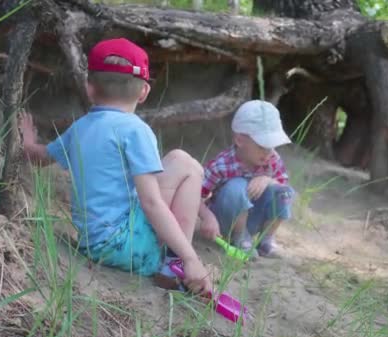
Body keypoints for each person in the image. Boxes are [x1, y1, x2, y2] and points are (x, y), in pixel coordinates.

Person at [19, 38, 212, 294]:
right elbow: (151, 202)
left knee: (177, 164)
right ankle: (175, 262)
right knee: (186, 164)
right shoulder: (135, 130)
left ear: (89, 88)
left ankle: (173, 258)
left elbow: (40, 158)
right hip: (126, 245)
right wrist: (192, 259)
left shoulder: (79, 128)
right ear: (144, 92)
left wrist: (28, 141)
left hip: (93, 244)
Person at [199, 100, 294, 258]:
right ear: (240, 140)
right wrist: (207, 217)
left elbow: (283, 185)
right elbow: (195, 195)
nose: (268, 152)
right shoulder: (222, 165)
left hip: (254, 218)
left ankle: (266, 239)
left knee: (284, 192)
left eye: (272, 146)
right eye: (262, 145)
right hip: (226, 221)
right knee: (236, 186)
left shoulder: (272, 159)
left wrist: (267, 179)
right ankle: (239, 236)